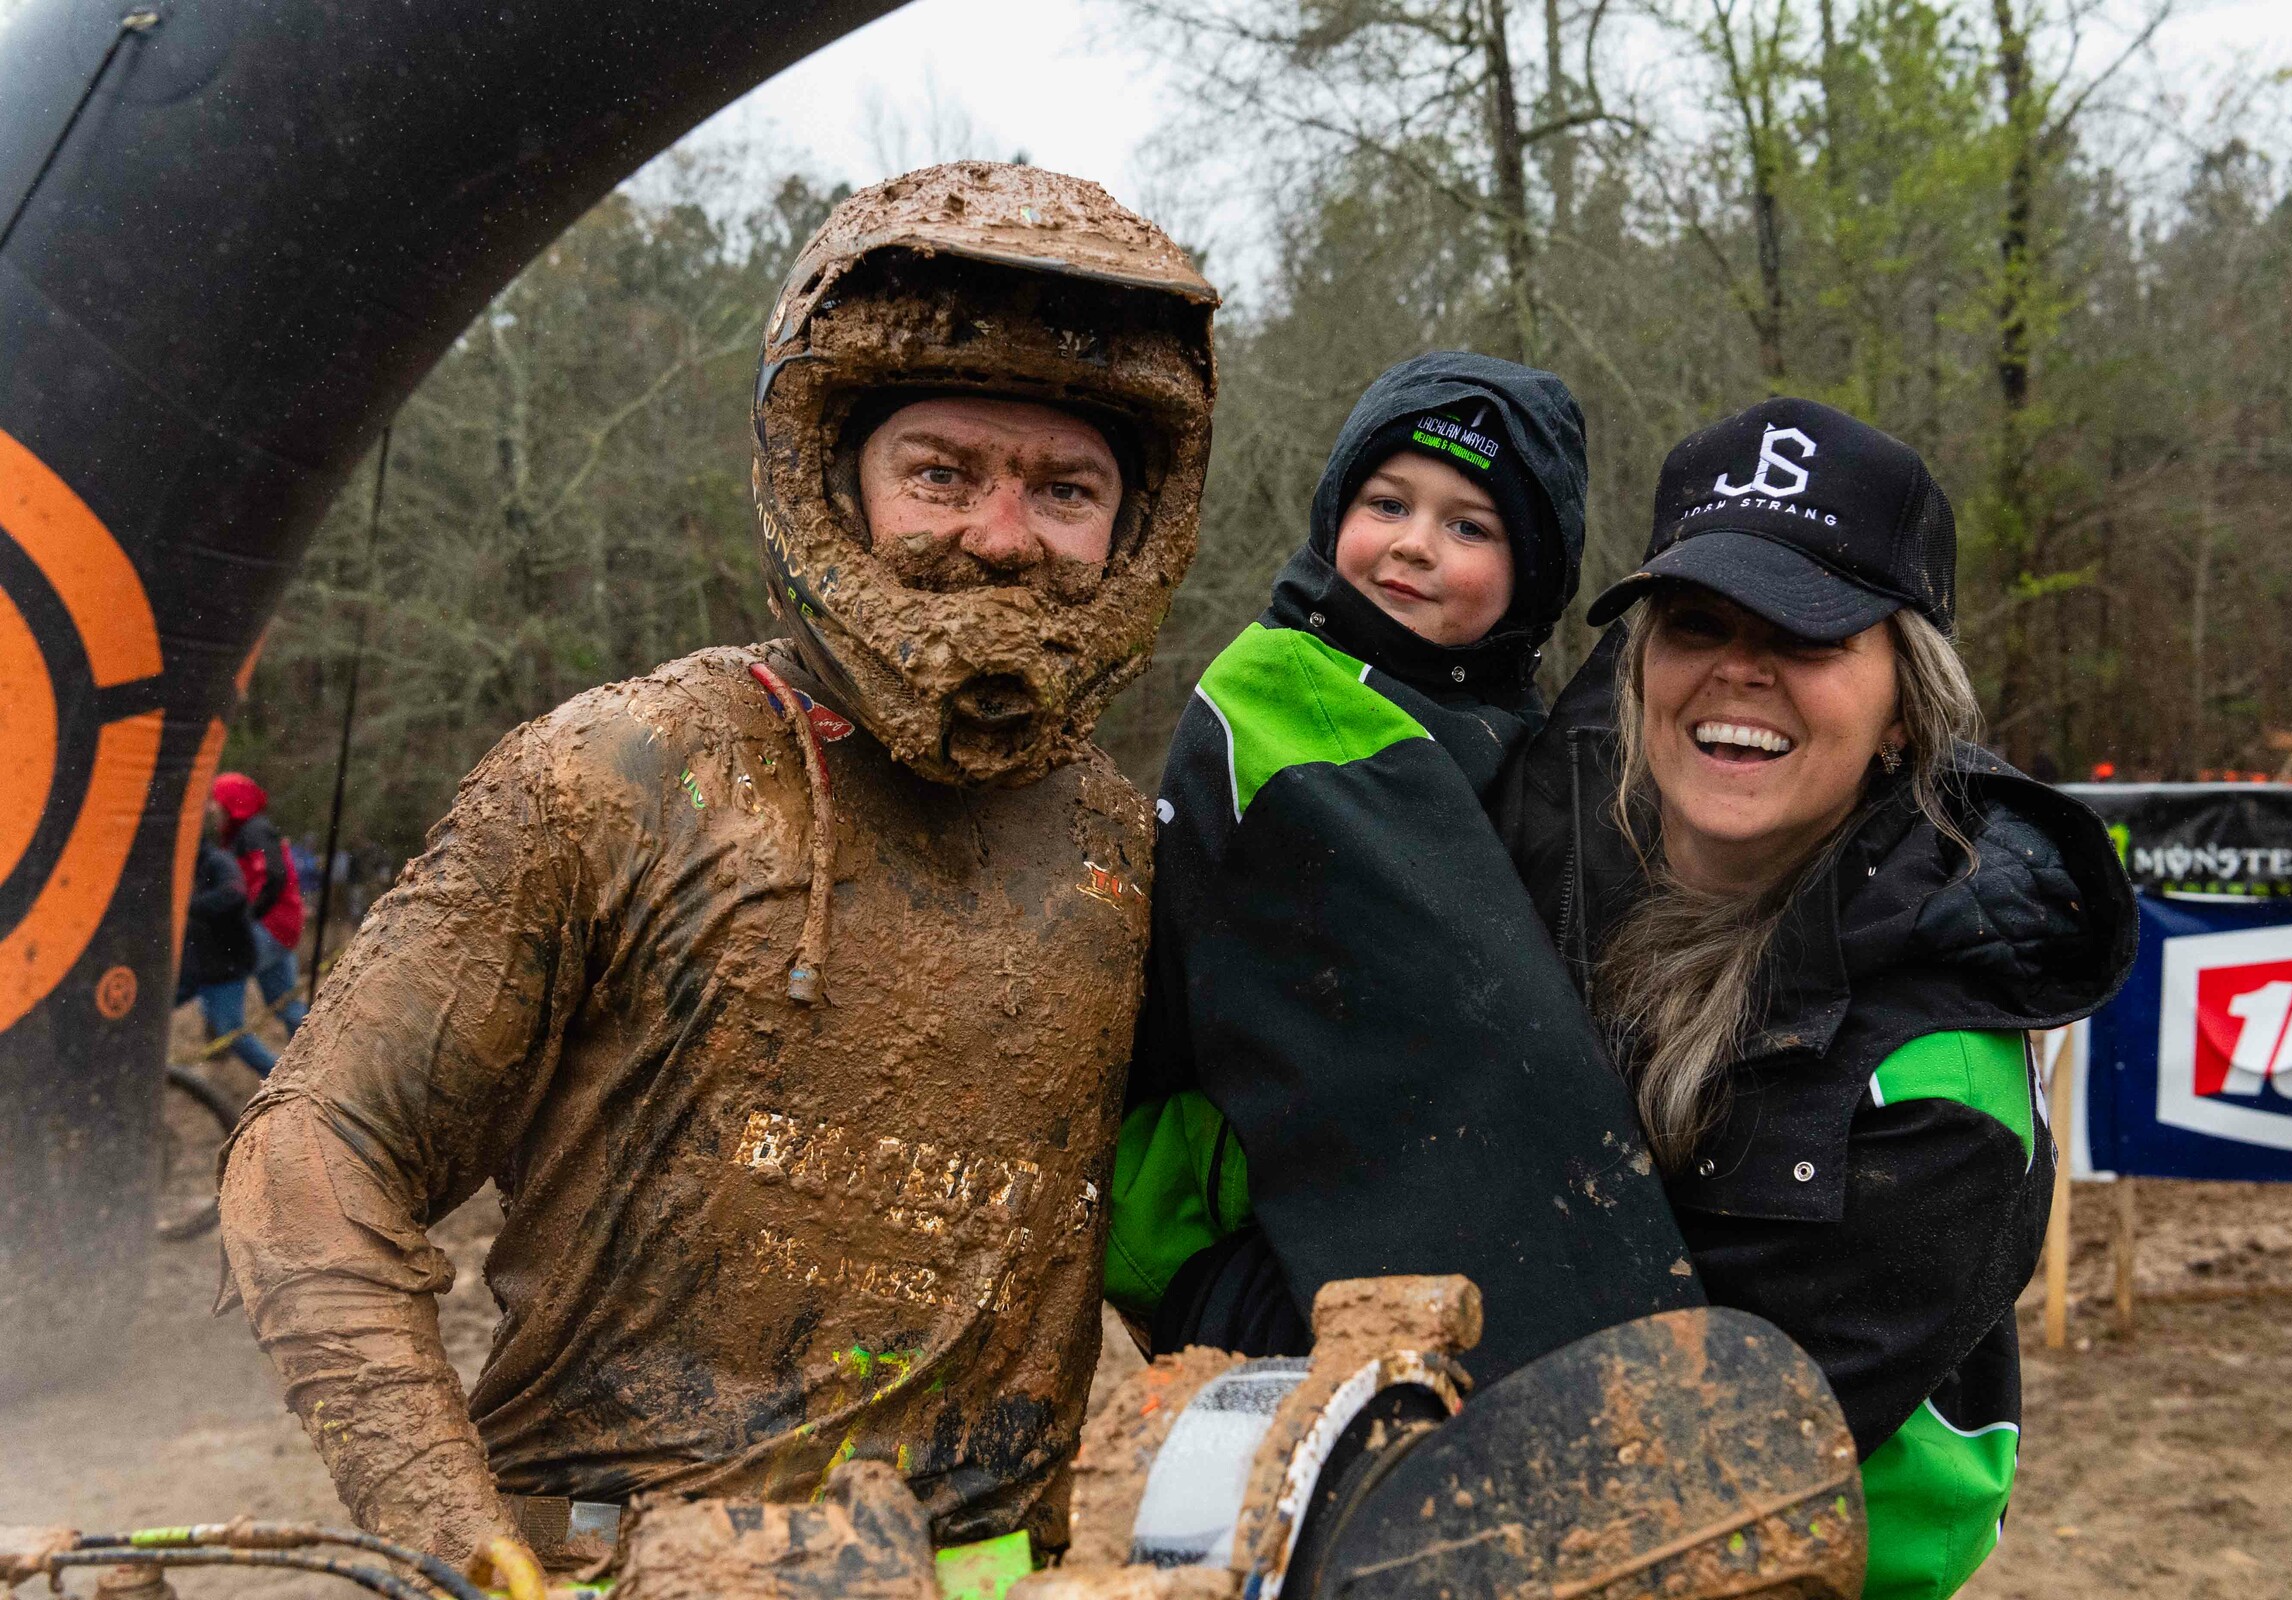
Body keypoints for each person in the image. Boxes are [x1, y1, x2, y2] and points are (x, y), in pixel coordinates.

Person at [216, 163, 1218, 1570]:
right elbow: (317, 1147)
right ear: (835, 476)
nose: (1001, 536)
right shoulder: (621, 773)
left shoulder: (1129, 853)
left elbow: (1201, 1210)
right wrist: (443, 1522)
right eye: (942, 473)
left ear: (1136, 525)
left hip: (986, 1572)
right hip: (614, 1558)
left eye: (1067, 488)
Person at [1499, 397, 2137, 1600]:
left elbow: (1658, 1463)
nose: (1740, 669)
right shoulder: (1562, 854)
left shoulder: (1939, 1082)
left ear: (1904, 707)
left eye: (1808, 633)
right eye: (1697, 621)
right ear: (1637, 670)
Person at [1107, 353, 1701, 1383]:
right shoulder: (1267, 691)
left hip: (1428, 1249)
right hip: (1233, 1230)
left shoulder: (1538, 745)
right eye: (1387, 502)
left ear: (1533, 574)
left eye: (1470, 526)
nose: (1414, 546)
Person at [177, 799, 282, 1076]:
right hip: (196, 966)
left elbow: (234, 895)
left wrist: (186, 906)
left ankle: (278, 1078)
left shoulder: (217, 862)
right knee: (146, 1011)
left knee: (232, 1033)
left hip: (225, 966)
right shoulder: (183, 866)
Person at [214, 771, 308, 1036]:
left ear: (231, 801)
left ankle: (226, 1038)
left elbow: (273, 877)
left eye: (217, 801)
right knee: (287, 1008)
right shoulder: (244, 833)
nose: (212, 808)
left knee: (220, 982)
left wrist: (247, 918)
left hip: (272, 925)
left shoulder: (255, 831)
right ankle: (319, 1059)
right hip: (279, 926)